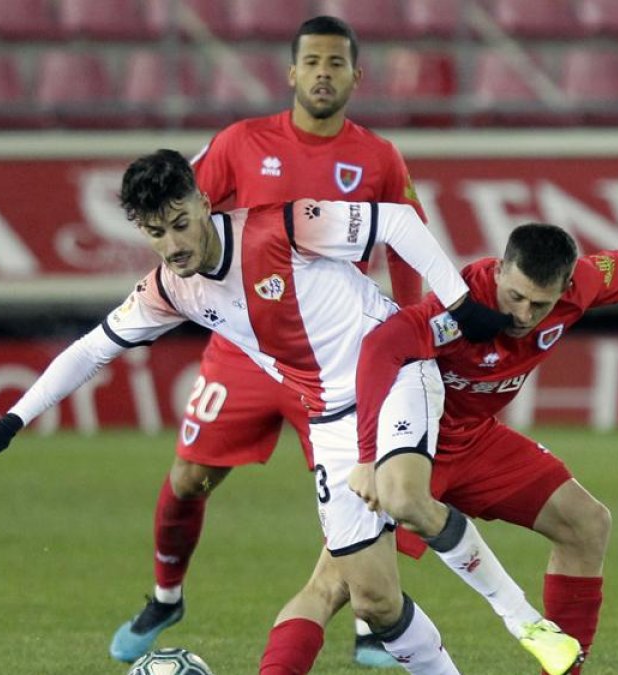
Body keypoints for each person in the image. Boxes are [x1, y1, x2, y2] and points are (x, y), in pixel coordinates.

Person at [0, 149, 527, 673]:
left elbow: (396, 220)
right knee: (373, 599)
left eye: (180, 224)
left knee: (401, 496)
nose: (173, 245)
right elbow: (94, 347)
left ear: (201, 198)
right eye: (155, 233)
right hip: (330, 421)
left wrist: (456, 299)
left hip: (397, 376)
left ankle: (522, 618)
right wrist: (15, 419)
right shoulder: (172, 287)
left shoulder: (284, 226)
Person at [274, 222, 618, 674]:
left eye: (541, 303)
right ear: (500, 269)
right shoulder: (459, 303)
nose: (525, 314)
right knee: (338, 589)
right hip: (416, 445)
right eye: (516, 296)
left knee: (587, 523)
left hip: (479, 444)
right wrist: (368, 454)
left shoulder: (582, 286)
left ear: (565, 288)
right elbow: (380, 350)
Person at [110, 15, 429, 668]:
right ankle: (167, 595)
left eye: (336, 63)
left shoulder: (379, 159)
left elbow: (408, 249)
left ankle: (374, 619)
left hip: (338, 356)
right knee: (189, 477)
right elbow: (179, 209)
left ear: (355, 76)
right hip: (248, 348)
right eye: (311, 61)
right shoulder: (240, 143)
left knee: (368, 478)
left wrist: (414, 334)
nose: (322, 72)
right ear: (290, 72)